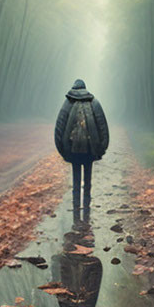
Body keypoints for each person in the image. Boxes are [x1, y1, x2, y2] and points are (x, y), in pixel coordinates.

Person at [54, 79, 109, 211]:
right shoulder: (94, 102)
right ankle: (87, 208)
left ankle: (76, 209)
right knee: (88, 180)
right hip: (90, 149)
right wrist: (102, 148)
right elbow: (102, 126)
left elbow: (59, 128)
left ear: (73, 88)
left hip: (73, 150)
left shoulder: (67, 103)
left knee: (76, 180)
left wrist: (62, 150)